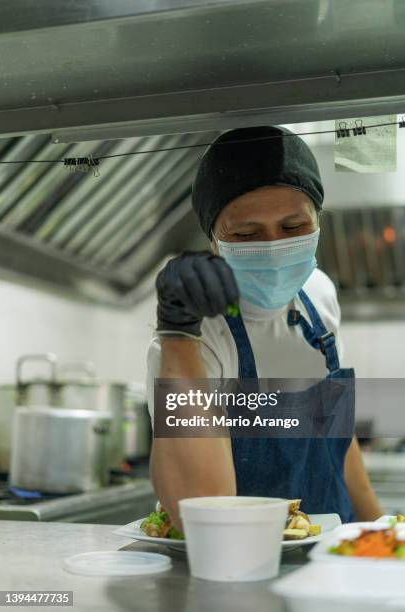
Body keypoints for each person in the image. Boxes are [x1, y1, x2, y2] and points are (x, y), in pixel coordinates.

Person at [146, 125, 382, 530]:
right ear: (215, 243)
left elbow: (336, 436)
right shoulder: (197, 340)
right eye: (246, 234)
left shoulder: (319, 296)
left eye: (293, 228)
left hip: (328, 560)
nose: (274, 248)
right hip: (232, 569)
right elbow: (203, 512)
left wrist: (379, 529)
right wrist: (178, 333)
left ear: (318, 221)